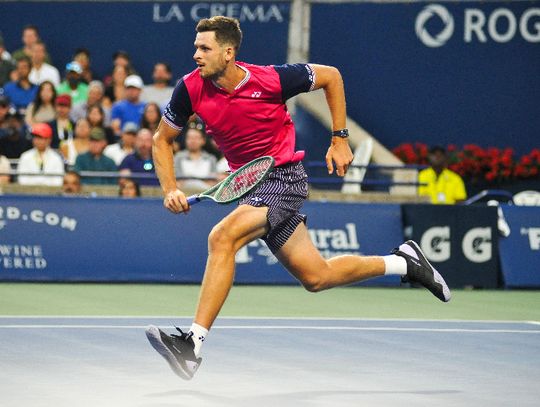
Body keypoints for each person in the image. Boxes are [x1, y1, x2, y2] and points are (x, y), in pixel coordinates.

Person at [145, 16, 452, 381]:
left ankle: (192, 345)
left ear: (228, 53)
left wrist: (339, 139)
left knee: (221, 237)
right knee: (316, 276)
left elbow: (332, 76)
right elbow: (161, 140)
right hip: (248, 185)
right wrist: (170, 189)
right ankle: (405, 263)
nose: (196, 54)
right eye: (196, 47)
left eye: (204, 48)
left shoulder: (272, 79)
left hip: (283, 177)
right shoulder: (190, 88)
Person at [174, 123, 217, 190]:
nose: (192, 141)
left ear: (203, 140)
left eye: (196, 138)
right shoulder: (178, 157)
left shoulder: (211, 158)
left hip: (205, 195)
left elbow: (212, 182)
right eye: (189, 138)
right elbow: (178, 181)